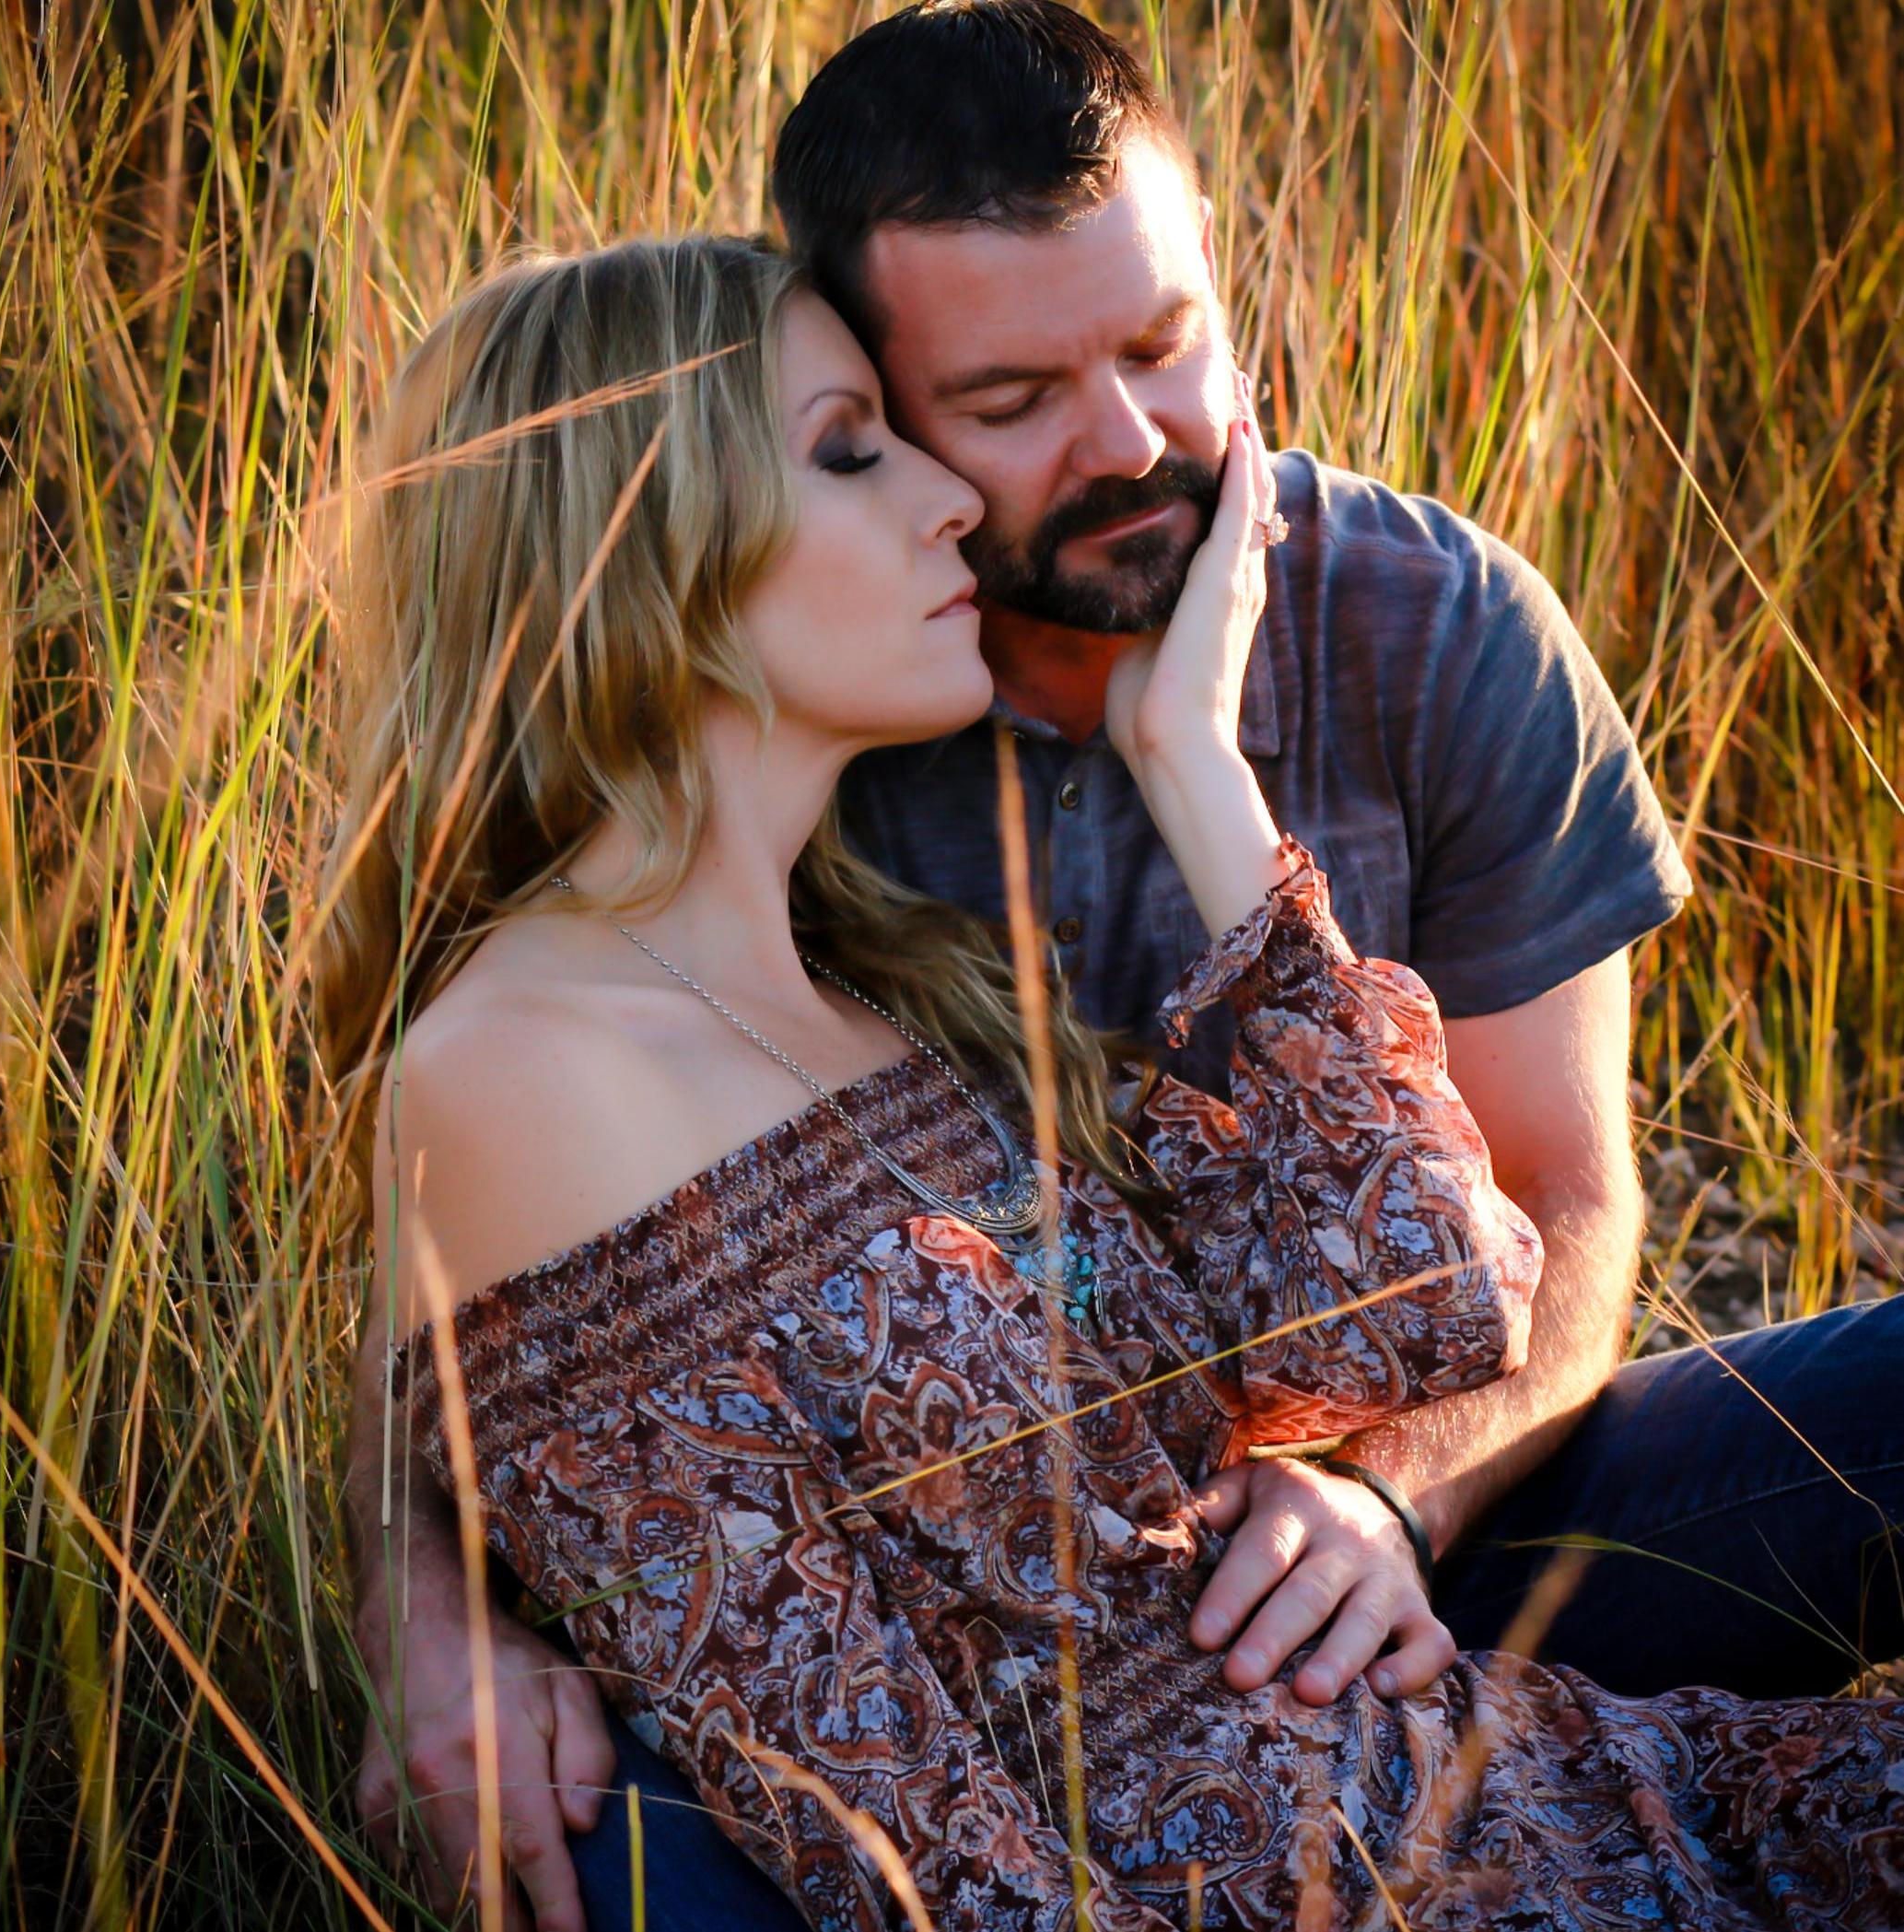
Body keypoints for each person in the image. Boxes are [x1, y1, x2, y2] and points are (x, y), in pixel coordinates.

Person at [338, 9, 1904, 1929]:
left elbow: (1517, 1243)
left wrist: (1197, 772)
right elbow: (479, 1324)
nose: (1134, 444)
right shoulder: (784, 845)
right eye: (992, 409)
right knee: (609, 1840)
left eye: (1162, 346)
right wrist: (417, 1610)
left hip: (1411, 1580)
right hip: (1175, 1775)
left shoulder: (1411, 633)